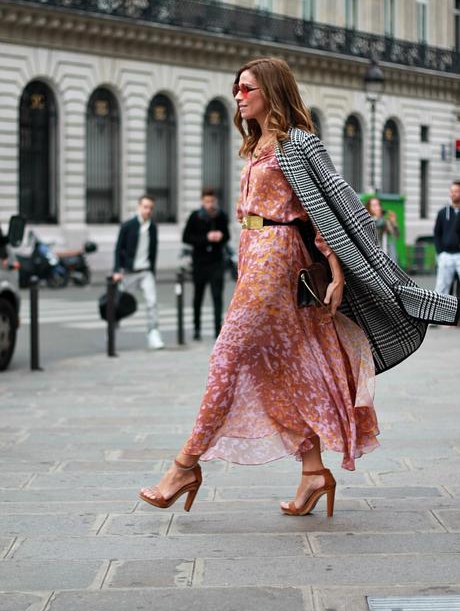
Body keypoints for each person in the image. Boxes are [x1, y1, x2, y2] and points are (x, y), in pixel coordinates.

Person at [139, 57, 459, 518]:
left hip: (277, 255)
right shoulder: (254, 145)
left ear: (272, 90)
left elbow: (329, 205)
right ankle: (313, 471)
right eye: (236, 88)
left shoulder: (298, 143)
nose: (238, 95)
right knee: (281, 368)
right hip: (252, 251)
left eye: (247, 88)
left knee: (228, 355)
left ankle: (184, 465)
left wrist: (338, 266)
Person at [113, 194, 164, 350]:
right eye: (145, 207)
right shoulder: (128, 225)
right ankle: (112, 329)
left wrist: (153, 273)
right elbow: (118, 249)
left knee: (152, 302)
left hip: (145, 271)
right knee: (118, 303)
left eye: (150, 208)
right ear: (139, 207)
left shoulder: (153, 228)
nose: (148, 210)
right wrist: (117, 270)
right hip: (128, 271)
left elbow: (154, 251)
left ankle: (153, 332)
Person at [182, 188, 230, 340]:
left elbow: (227, 235)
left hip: (216, 261)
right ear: (202, 201)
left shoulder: (221, 215)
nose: (210, 204)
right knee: (198, 295)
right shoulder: (195, 216)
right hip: (200, 262)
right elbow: (186, 237)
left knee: (217, 297)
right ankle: (197, 328)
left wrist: (221, 236)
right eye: (207, 201)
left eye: (212, 201)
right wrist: (206, 238)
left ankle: (218, 329)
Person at [434, 181, 460, 295]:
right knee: (441, 288)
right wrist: (440, 252)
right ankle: (440, 312)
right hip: (446, 255)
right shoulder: (442, 213)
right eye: (452, 191)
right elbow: (437, 233)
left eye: (457, 191)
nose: (454, 194)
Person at [365, 197, 400, 263]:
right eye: (374, 206)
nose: (377, 208)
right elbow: (378, 223)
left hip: (386, 254)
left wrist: (393, 222)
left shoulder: (385, 221)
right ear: (369, 208)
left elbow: (396, 235)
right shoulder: (368, 221)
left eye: (378, 205)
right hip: (373, 256)